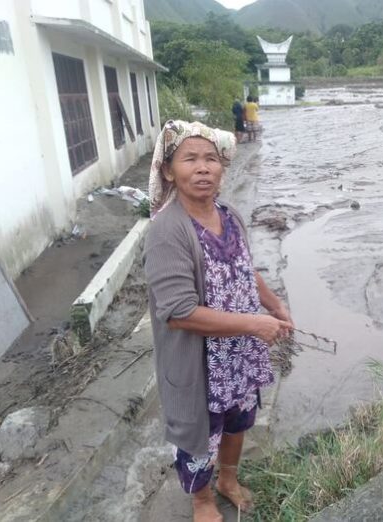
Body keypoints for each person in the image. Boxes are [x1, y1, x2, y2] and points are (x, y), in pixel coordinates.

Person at [144, 120, 293, 521]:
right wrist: (254, 324)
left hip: (239, 355)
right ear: (168, 170)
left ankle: (228, 479)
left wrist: (274, 304)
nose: (203, 167)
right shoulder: (166, 232)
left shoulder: (229, 215)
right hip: (201, 365)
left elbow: (244, 268)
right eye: (190, 158)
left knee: (238, 421)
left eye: (211, 158)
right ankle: (202, 500)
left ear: (223, 167)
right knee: (199, 439)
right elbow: (178, 314)